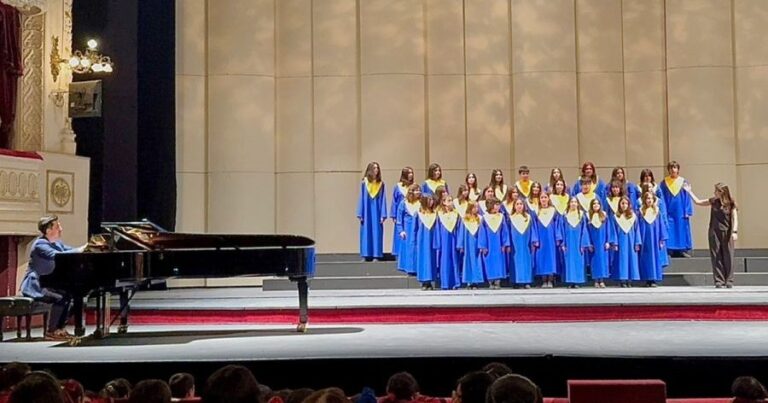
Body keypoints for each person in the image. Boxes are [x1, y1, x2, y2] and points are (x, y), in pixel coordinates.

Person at [19, 215, 86, 340]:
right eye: (57, 226)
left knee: (69, 295)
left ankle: (60, 329)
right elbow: (57, 255)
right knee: (59, 298)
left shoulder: (57, 243)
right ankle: (51, 331)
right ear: (48, 230)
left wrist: (86, 249)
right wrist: (81, 249)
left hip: (48, 283)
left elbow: (71, 251)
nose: (61, 229)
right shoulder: (40, 244)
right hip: (35, 284)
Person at [685, 182, 739, 288]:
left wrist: (734, 231)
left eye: (716, 191)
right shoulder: (713, 201)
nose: (714, 192)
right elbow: (698, 202)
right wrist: (689, 192)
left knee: (728, 256)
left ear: (721, 192)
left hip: (727, 232)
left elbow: (735, 218)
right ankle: (719, 281)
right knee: (716, 256)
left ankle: (729, 280)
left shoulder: (731, 203)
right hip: (714, 232)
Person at [659, 161, 693, 257]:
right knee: (669, 229)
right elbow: (662, 198)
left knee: (681, 229)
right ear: (668, 170)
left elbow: (687, 196)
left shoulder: (683, 182)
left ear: (678, 169)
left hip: (680, 211)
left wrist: (688, 210)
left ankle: (682, 250)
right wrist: (662, 211)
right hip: (669, 211)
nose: (673, 169)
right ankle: (670, 250)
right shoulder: (664, 183)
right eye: (671, 168)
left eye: (675, 167)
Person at [357, 162, 388, 262]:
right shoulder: (364, 183)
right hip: (367, 212)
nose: (376, 170)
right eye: (374, 168)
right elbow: (361, 198)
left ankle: (376, 255)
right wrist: (360, 213)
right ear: (370, 170)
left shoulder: (381, 184)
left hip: (377, 212)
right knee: (366, 232)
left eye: (377, 168)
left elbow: (383, 199)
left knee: (376, 232)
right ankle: (365, 255)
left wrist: (383, 214)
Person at [637, 191, 668, 287]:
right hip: (644, 238)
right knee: (646, 259)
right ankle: (647, 279)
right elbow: (637, 227)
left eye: (650, 198)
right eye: (647, 198)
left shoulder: (657, 211)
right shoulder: (640, 211)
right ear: (644, 200)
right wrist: (638, 240)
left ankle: (653, 279)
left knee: (654, 258)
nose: (649, 200)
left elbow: (661, 226)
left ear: (653, 200)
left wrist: (662, 239)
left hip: (655, 239)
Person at [478, 198, 510, 289]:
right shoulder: (485, 217)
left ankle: (497, 281)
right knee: (489, 262)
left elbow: (505, 231)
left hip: (498, 244)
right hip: (489, 245)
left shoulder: (501, 217)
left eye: (498, 205)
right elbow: (482, 233)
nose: (498, 206)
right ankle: (490, 282)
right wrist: (483, 246)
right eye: (496, 204)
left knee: (499, 262)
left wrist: (505, 244)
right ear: (490, 205)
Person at [611, 196, 642, 288]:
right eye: (622, 203)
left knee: (631, 260)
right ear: (619, 205)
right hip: (621, 242)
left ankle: (630, 279)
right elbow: (613, 231)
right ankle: (622, 280)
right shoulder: (616, 217)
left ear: (629, 205)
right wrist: (615, 243)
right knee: (622, 260)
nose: (624, 205)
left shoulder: (633, 216)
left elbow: (637, 230)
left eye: (626, 203)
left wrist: (637, 242)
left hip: (631, 241)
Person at [507, 199, 538, 289]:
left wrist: (533, 241)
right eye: (517, 204)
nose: (519, 206)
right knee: (515, 261)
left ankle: (526, 281)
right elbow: (507, 232)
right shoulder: (510, 218)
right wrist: (508, 244)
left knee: (526, 261)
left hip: (526, 244)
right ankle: (516, 281)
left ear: (524, 206)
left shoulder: (528, 217)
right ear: (514, 206)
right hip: (514, 244)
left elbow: (533, 230)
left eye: (521, 204)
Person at [561, 197, 591, 288]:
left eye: (575, 202)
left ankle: (577, 281)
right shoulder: (565, 215)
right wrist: (563, 244)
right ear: (569, 204)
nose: (573, 204)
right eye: (572, 202)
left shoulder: (581, 215)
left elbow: (584, 230)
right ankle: (570, 282)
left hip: (578, 243)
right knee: (569, 262)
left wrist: (583, 244)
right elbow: (562, 230)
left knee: (578, 261)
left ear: (578, 204)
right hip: (569, 243)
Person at [533, 193, 561, 289]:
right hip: (541, 240)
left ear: (548, 199)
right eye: (542, 197)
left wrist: (558, 237)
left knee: (551, 258)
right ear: (539, 199)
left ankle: (551, 280)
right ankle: (544, 280)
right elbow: (534, 226)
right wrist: (535, 239)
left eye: (545, 197)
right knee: (542, 258)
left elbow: (557, 225)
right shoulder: (536, 211)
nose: (544, 199)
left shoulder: (553, 211)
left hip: (551, 239)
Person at [413, 195, 439, 290]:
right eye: (429, 200)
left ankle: (430, 282)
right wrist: (414, 242)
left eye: (432, 199)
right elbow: (414, 229)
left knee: (431, 261)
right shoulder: (418, 214)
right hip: (422, 241)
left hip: (432, 240)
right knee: (423, 260)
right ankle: (424, 282)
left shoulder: (435, 214)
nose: (431, 201)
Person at [587, 198, 614, 288]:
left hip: (602, 242)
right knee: (595, 261)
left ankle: (602, 280)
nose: (596, 205)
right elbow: (586, 231)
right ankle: (595, 280)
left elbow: (608, 229)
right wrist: (588, 243)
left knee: (602, 261)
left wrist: (608, 241)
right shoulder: (588, 216)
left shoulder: (604, 216)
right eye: (594, 204)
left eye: (597, 203)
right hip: (593, 243)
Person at [396, 184, 422, 275]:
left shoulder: (421, 202)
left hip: (418, 229)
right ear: (411, 192)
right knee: (408, 249)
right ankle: (409, 269)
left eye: (419, 190)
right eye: (416, 190)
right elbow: (399, 218)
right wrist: (401, 231)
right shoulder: (404, 203)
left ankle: (417, 268)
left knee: (417, 248)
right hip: (408, 229)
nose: (418, 192)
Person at [436, 195, 461, 290]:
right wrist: (438, 243)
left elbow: (459, 229)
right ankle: (445, 283)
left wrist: (459, 243)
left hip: (453, 240)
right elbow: (437, 230)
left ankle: (455, 283)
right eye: (449, 201)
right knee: (445, 261)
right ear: (444, 202)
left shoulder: (456, 214)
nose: (451, 202)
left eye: (451, 200)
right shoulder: (440, 214)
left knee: (454, 260)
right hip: (444, 241)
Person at [458, 201, 484, 289]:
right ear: (470, 208)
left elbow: (482, 233)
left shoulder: (480, 219)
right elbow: (461, 233)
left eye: (477, 207)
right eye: (474, 207)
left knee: (477, 262)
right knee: (468, 262)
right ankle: (469, 282)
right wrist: (461, 245)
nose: (476, 209)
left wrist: (481, 245)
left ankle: (475, 282)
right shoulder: (464, 219)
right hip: (467, 244)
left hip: (476, 244)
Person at [390, 167, 414, 258]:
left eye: (412, 173)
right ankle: (398, 254)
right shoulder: (398, 186)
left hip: (410, 213)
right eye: (409, 173)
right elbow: (394, 201)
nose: (411, 175)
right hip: (400, 213)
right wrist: (394, 215)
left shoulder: (414, 187)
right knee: (399, 233)